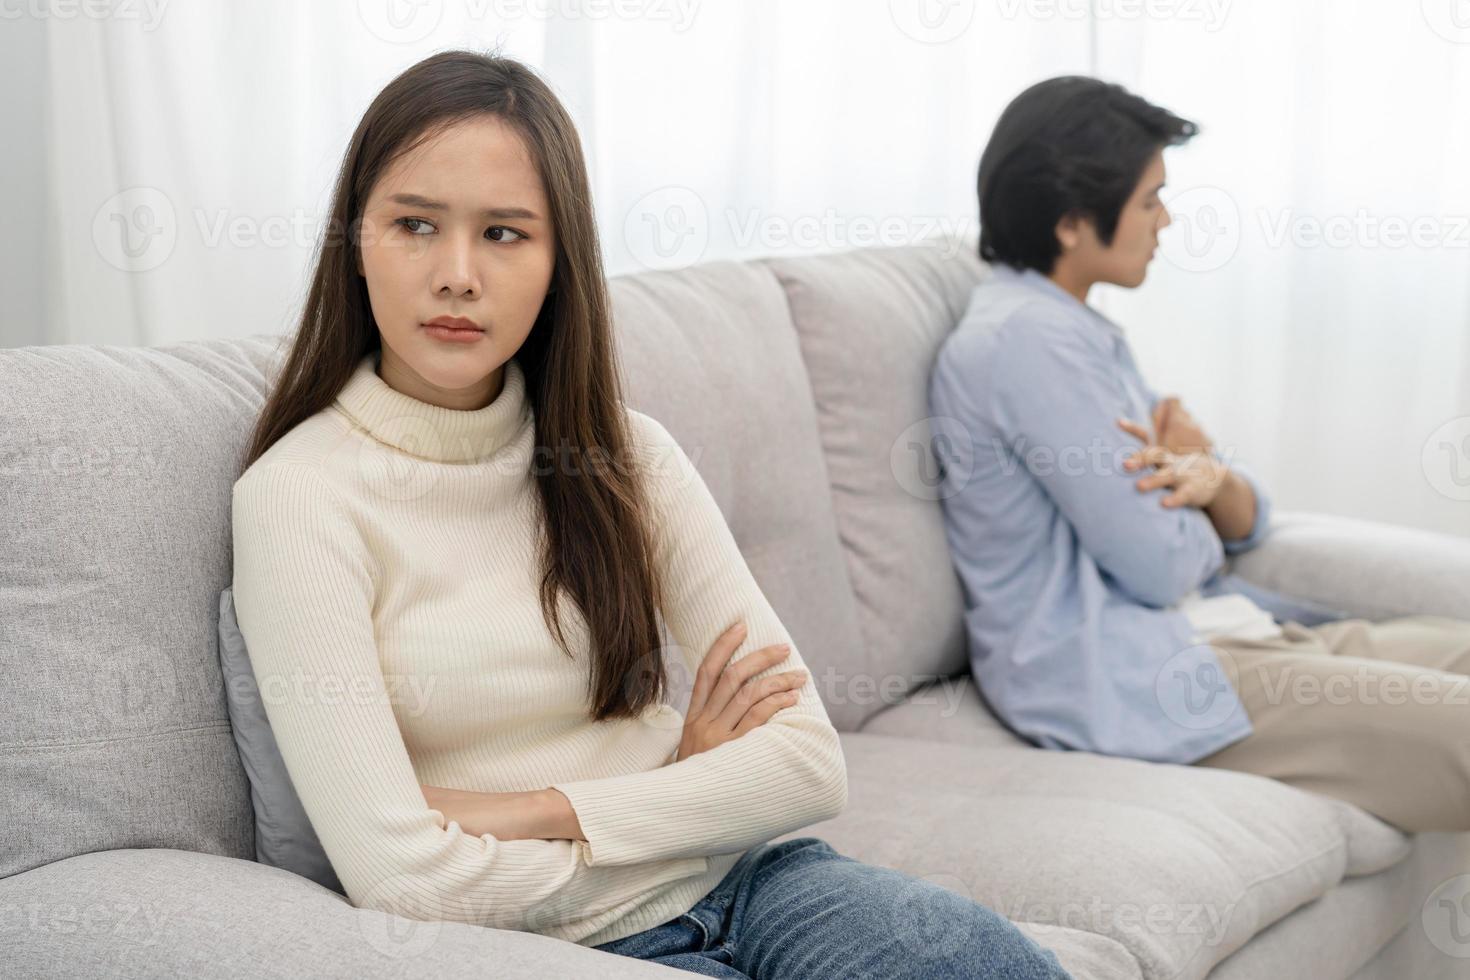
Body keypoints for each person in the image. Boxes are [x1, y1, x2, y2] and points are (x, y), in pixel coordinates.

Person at [231, 49, 1071, 979]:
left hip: (756, 882)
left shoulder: (626, 457)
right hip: (542, 947)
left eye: (505, 233)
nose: (457, 274)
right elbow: (403, 878)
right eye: (415, 224)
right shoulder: (299, 500)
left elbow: (805, 764)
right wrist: (681, 796)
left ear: (560, 262)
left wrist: (543, 808)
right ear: (356, 240)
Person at [929, 75, 1470, 834]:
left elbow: (1240, 516)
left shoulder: (1077, 332)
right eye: (1150, 200)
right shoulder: (1026, 343)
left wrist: (1208, 482)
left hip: (1214, 630)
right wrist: (1201, 494)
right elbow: (1162, 563)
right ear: (1074, 222)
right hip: (1135, 674)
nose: (1167, 220)